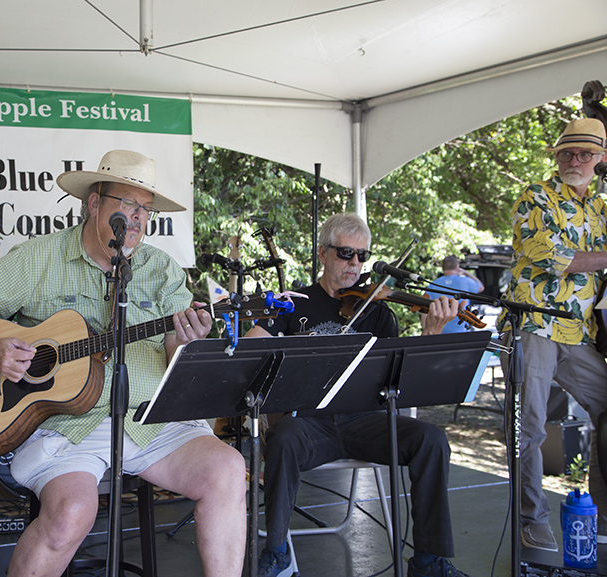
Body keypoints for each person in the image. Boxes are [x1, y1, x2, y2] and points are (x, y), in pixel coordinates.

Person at [0, 150, 247, 577]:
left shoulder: (161, 268)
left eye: (145, 209)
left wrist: (188, 340)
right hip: (67, 426)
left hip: (150, 420)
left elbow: (178, 351)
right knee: (72, 513)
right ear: (94, 203)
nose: (137, 218)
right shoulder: (39, 258)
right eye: (128, 205)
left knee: (228, 469)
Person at [247, 213, 471, 577]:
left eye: (362, 256)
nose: (355, 264)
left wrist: (430, 335)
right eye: (345, 253)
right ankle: (276, 552)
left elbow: (404, 382)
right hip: (310, 423)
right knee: (283, 438)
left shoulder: (379, 313)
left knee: (431, 439)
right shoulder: (295, 303)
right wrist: (258, 328)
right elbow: (251, 354)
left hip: (366, 420)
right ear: (323, 253)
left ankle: (430, 560)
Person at [499, 117, 607, 551]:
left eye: (584, 153)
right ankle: (532, 518)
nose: (574, 160)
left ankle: (603, 514)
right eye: (566, 152)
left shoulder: (601, 208)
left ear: (601, 160)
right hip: (535, 324)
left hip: (581, 333)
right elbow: (558, 258)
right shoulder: (536, 196)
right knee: (530, 428)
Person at [421, 255, 484, 334]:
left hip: (438, 331)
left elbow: (425, 310)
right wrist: (465, 272)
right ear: (457, 267)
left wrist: (424, 329)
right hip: (460, 332)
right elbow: (481, 287)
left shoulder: (434, 284)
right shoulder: (465, 281)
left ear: (443, 268)